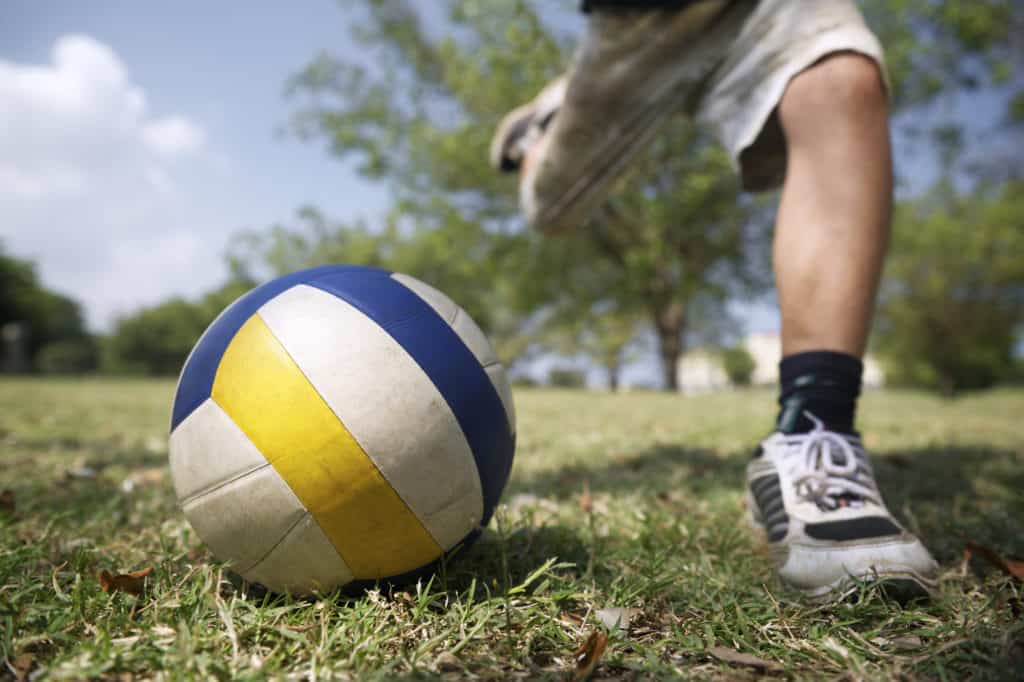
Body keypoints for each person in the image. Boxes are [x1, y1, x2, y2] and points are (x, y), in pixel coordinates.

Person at [489, 0, 938, 601]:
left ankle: (813, 430)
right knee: (552, 207)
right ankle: (549, 122)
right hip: (642, 20)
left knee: (841, 75)